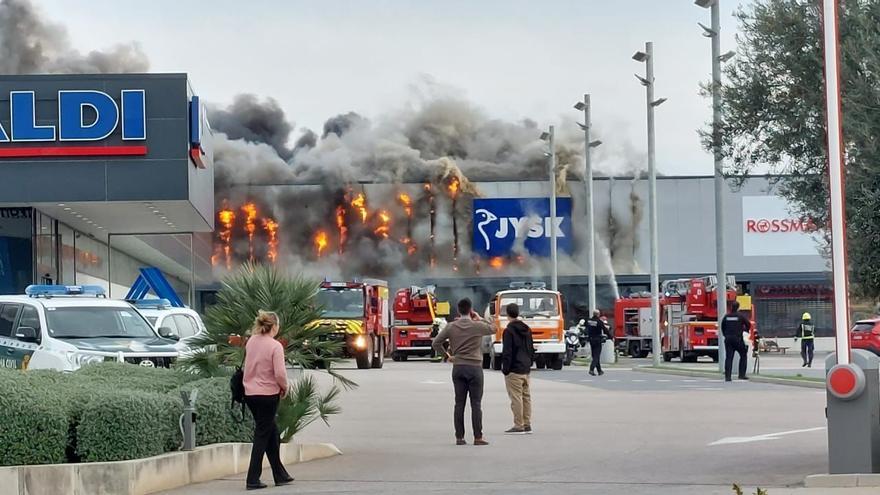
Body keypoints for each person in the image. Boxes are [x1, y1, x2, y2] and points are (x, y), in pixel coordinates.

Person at [432, 298, 496, 446]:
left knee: (459, 403)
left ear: (458, 310)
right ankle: (478, 437)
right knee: (476, 404)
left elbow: (436, 343)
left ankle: (459, 437)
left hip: (458, 367)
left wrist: (448, 356)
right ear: (471, 310)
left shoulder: (451, 326)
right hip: (475, 368)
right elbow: (494, 328)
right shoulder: (477, 326)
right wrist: (480, 318)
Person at [243, 311, 294, 490]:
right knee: (262, 435)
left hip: (250, 393)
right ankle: (252, 478)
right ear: (274, 326)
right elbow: (279, 373)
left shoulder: (251, 341)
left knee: (272, 432)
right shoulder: (275, 346)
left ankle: (280, 474)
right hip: (268, 394)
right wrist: (285, 387)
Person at [500, 302, 534, 435]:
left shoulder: (509, 331)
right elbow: (531, 348)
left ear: (507, 314)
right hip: (525, 367)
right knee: (526, 397)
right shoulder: (527, 329)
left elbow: (507, 351)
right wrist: (529, 363)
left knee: (516, 398)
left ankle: (518, 425)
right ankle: (527, 424)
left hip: (514, 368)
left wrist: (505, 369)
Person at [721, 301, 751, 382]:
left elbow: (722, 326)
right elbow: (748, 324)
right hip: (737, 339)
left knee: (729, 357)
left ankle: (728, 377)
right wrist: (745, 330)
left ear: (731, 307)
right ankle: (741, 375)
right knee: (743, 354)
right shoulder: (740, 316)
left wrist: (725, 335)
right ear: (738, 307)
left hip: (728, 339)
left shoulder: (726, 316)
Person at [586, 310, 609, 376]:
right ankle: (591, 369)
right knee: (596, 356)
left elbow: (586, 329)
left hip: (591, 340)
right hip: (597, 340)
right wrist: (611, 337)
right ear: (598, 314)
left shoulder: (589, 321)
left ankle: (599, 371)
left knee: (595, 356)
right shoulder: (599, 322)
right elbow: (605, 330)